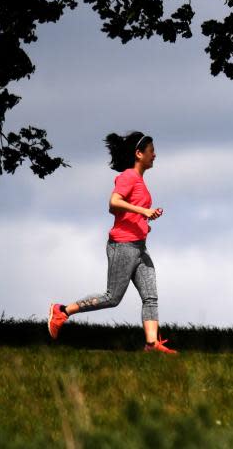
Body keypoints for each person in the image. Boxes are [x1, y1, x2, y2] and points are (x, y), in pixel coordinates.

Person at [47, 131, 177, 354]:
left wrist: (145, 222)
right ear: (139, 154)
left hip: (139, 247)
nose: (154, 155)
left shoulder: (140, 181)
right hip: (123, 246)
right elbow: (113, 202)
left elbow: (128, 212)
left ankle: (151, 344)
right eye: (151, 151)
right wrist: (144, 210)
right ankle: (62, 311)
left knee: (150, 297)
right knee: (112, 297)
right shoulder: (128, 177)